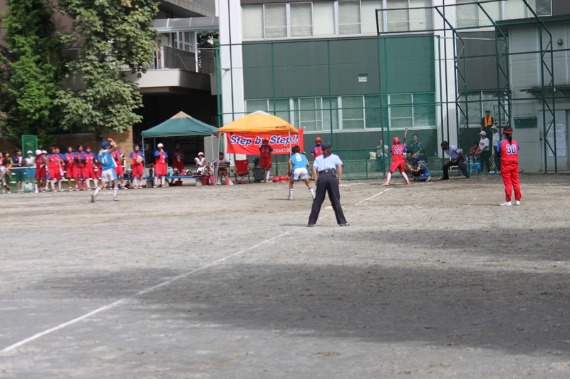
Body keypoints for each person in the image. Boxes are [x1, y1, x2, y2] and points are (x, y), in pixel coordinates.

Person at [307, 141, 348, 227]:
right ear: (330, 149)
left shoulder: (318, 158)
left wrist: (316, 180)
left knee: (318, 200)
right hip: (331, 176)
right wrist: (339, 179)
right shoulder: (335, 157)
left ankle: (311, 222)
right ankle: (342, 221)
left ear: (321, 149)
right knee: (335, 199)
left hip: (322, 176)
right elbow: (340, 166)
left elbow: (314, 169)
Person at [497, 127, 522, 206]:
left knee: (508, 184)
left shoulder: (501, 143)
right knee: (516, 182)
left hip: (505, 165)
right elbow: (517, 150)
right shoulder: (515, 142)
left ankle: (508, 201)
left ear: (504, 133)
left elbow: (498, 153)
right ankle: (518, 200)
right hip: (514, 165)